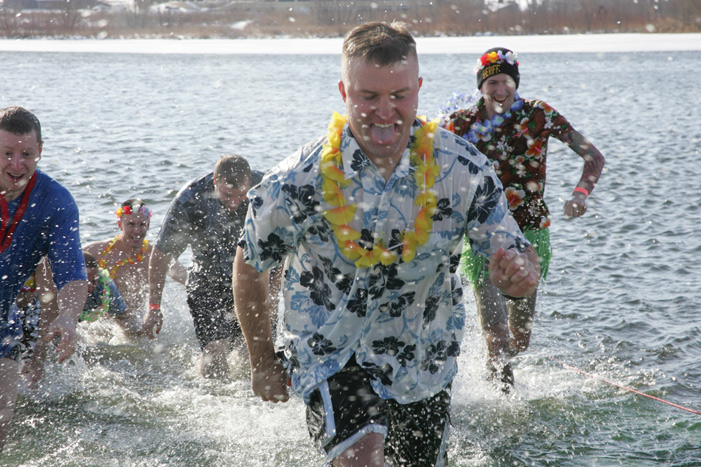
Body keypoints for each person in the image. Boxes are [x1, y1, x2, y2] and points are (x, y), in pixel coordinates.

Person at [232, 22, 540, 467]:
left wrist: (518, 277)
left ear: (417, 89)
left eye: (398, 96)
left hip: (425, 357)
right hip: (333, 352)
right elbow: (250, 261)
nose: (384, 112)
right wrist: (261, 359)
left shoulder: (462, 168)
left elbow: (514, 254)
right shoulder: (298, 179)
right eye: (368, 97)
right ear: (344, 91)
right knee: (362, 458)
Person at [442, 47, 605, 389]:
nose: (499, 90)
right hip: (482, 236)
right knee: (496, 337)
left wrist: (580, 194)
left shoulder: (539, 115)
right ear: (481, 86)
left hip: (530, 234)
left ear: (515, 82)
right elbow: (424, 159)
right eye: (492, 83)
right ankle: (503, 402)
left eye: (505, 81)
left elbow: (594, 157)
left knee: (518, 339)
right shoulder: (461, 123)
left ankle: (498, 373)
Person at [0, 106, 88, 452]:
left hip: (2, 320)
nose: (16, 165)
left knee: (2, 418)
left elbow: (73, 274)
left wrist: (68, 316)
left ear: (41, 151)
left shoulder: (56, 202)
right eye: (7, 154)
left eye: (27, 154)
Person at [143, 155, 263, 380]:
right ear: (215, 181)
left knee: (251, 354)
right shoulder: (191, 199)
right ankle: (213, 399)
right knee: (215, 352)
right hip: (206, 283)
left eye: (241, 195)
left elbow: (286, 244)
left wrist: (273, 294)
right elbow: (161, 257)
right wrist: (154, 306)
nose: (235, 202)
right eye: (227, 195)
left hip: (252, 282)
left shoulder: (265, 189)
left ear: (249, 181)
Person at [19, 252, 129, 388]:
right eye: (86, 281)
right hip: (42, 325)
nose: (91, 287)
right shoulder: (53, 288)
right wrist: (37, 359)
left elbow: (125, 318)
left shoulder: (104, 287)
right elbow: (45, 322)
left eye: (94, 280)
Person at [83, 199, 187, 337]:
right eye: (130, 224)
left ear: (148, 225)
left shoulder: (154, 256)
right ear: (120, 224)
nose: (137, 230)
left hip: (134, 326)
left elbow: (188, 279)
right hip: (101, 327)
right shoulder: (98, 252)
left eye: (142, 224)